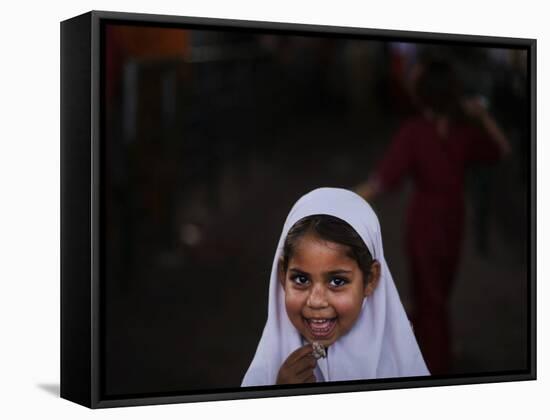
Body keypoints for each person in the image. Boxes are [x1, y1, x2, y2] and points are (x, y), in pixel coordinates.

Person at [354, 59, 511, 374]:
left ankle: (435, 365)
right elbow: (501, 150)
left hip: (424, 225)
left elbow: (380, 182)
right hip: (453, 222)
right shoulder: (463, 132)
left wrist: (339, 200)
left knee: (431, 299)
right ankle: (428, 347)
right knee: (437, 294)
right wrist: (482, 116)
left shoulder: (414, 133)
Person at [241, 187, 429, 386]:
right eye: (301, 280)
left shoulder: (401, 368)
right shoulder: (269, 370)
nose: (316, 301)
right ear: (282, 275)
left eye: (337, 281)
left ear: (371, 279)